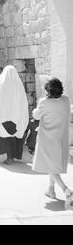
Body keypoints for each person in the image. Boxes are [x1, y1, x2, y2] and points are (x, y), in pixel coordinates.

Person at [32, 78, 73, 210]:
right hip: (61, 137)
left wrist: (38, 106)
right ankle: (51, 189)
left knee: (50, 166)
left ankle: (67, 190)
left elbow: (36, 116)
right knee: (53, 163)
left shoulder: (44, 102)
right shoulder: (66, 100)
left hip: (47, 138)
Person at [0, 65, 29, 164]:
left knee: (5, 136)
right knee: (14, 136)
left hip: (3, 116)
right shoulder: (18, 83)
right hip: (16, 116)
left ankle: (9, 158)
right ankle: (13, 156)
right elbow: (24, 101)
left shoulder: (0, 82)